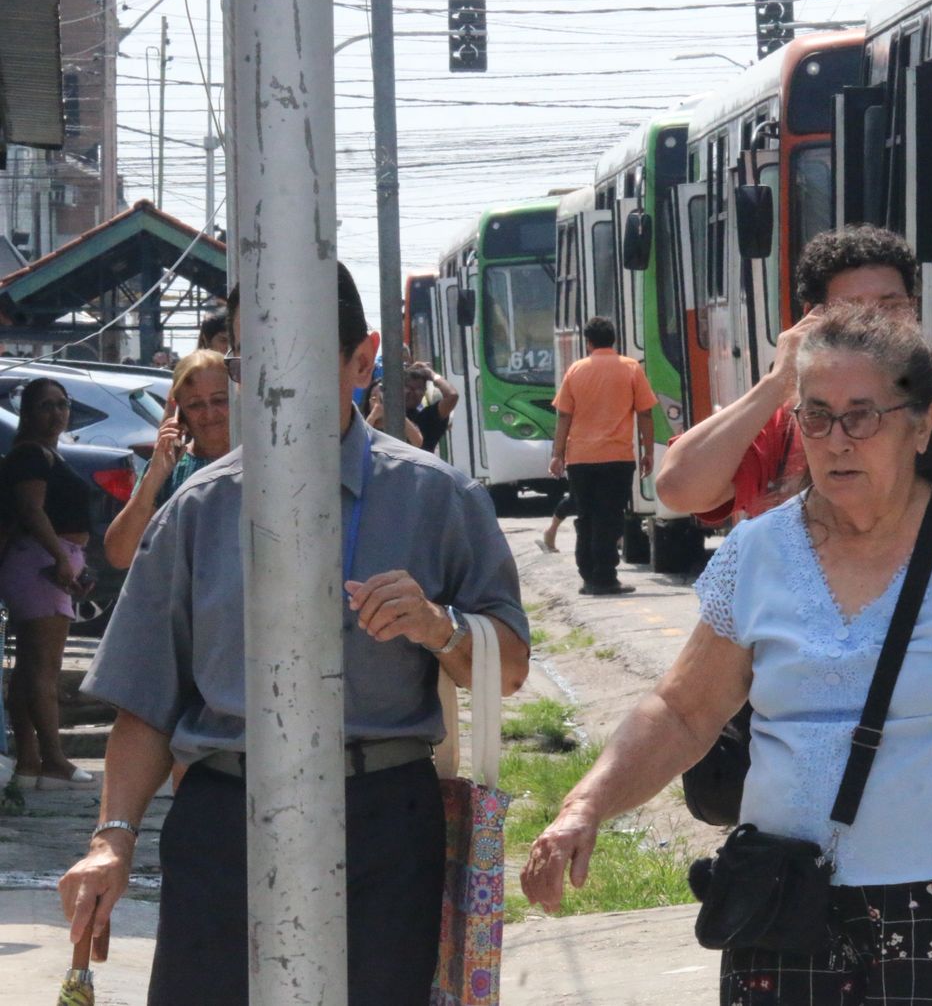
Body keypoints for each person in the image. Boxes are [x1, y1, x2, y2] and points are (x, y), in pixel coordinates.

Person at [523, 306, 932, 1002]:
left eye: (861, 416)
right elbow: (682, 711)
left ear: (922, 425)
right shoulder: (759, 552)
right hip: (785, 899)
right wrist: (585, 805)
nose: (837, 440)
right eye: (816, 417)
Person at [57, 263, 533, 1004]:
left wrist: (441, 629)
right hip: (226, 821)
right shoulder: (198, 510)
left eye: (297, 360)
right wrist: (111, 839)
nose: (270, 385)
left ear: (361, 360)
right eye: (249, 363)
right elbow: (145, 701)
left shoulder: (436, 497)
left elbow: (510, 668)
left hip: (381, 823)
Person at [655, 225, 932, 773]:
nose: (877, 324)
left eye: (892, 306)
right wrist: (779, 382)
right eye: (854, 309)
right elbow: (678, 488)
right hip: (800, 766)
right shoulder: (788, 423)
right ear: (811, 321)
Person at [0, 379, 98, 790]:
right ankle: (54, 759)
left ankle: (29, 762)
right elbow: (31, 509)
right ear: (27, 412)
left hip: (50, 562)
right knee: (43, 668)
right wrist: (60, 559)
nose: (57, 413)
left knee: (31, 668)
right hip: (40, 564)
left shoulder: (47, 453)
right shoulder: (30, 455)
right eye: (46, 405)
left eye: (63, 404)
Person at [550, 316, 656, 595]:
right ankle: (605, 577)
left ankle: (588, 576)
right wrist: (648, 451)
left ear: (588, 342)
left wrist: (557, 454)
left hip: (580, 459)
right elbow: (645, 413)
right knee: (609, 517)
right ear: (614, 340)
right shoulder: (631, 368)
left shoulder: (575, 370)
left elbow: (564, 415)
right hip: (617, 458)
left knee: (585, 517)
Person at [102, 349, 231, 570]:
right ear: (179, 409)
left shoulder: (258, 460)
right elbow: (120, 556)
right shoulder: (170, 467)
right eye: (195, 404)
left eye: (219, 400)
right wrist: (155, 476)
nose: (209, 414)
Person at [403, 362, 459, 454]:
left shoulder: (427, 418)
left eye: (418, 389)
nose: (412, 393)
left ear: (424, 392)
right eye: (408, 387)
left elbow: (452, 395)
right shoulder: (384, 413)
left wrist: (431, 374)